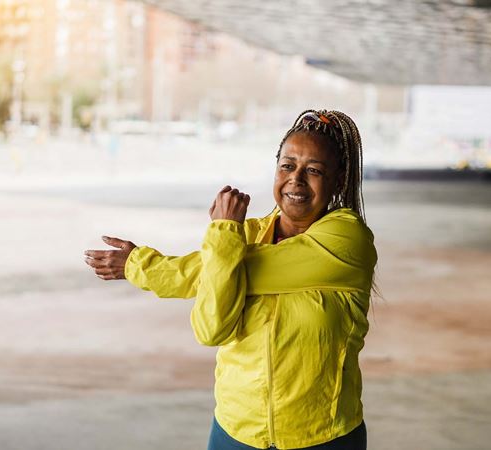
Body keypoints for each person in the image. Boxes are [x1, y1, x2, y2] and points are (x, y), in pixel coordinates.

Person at [84, 109, 377, 450]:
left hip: (321, 436)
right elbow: (211, 330)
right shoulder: (245, 237)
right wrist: (220, 248)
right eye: (287, 165)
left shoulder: (347, 240)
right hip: (235, 431)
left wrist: (214, 236)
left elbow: (218, 269)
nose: (296, 178)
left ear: (338, 180)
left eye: (313, 170)